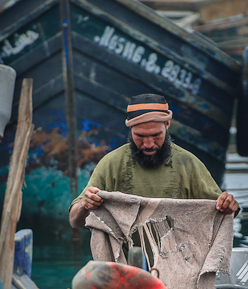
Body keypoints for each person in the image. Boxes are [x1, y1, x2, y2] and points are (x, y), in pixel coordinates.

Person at [69, 93, 239, 229]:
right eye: (140, 136)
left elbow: (225, 211)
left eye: (156, 135)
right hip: (124, 265)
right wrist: (85, 204)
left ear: (167, 124)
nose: (148, 144)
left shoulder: (188, 163)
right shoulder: (111, 164)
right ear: (130, 130)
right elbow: (75, 222)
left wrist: (229, 204)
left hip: (177, 263)